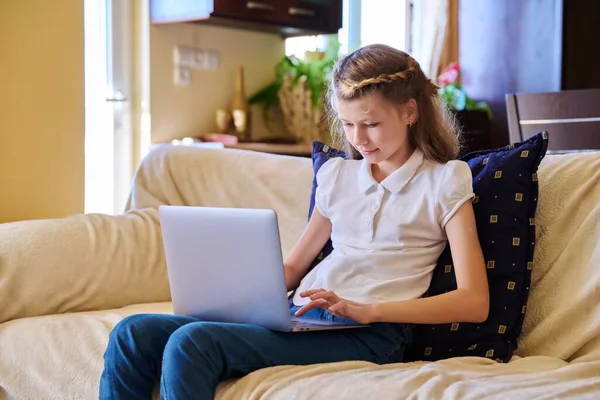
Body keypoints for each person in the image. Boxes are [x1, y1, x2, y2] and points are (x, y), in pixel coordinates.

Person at [99, 44, 489, 400]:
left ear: (409, 112)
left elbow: (474, 301)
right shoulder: (338, 176)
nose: (359, 140)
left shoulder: (444, 181)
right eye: (348, 125)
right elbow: (292, 268)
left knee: (193, 343)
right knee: (132, 333)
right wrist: (231, 290)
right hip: (301, 316)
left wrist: (368, 310)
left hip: (371, 333)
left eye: (371, 124)